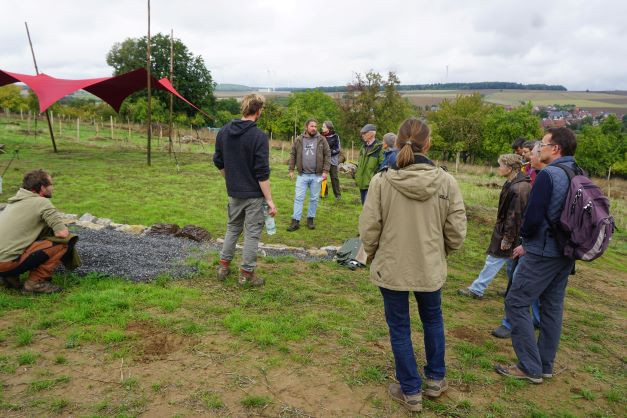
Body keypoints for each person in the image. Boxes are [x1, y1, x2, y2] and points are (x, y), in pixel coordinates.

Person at [359, 118, 466, 412]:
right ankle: (434, 380)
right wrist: (439, 252)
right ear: (427, 144)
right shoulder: (446, 181)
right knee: (432, 320)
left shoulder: (381, 182)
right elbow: (456, 231)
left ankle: (411, 390)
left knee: (400, 327)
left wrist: (373, 252)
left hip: (392, 266)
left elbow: (369, 228)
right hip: (428, 267)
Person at [495, 127, 578, 383]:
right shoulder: (576, 171)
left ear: (556, 149)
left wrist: (525, 243)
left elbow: (532, 218)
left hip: (542, 252)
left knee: (517, 302)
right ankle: (545, 364)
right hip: (565, 252)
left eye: (542, 144)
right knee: (552, 308)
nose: (537, 148)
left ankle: (529, 367)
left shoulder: (548, 175)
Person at [213, 93, 277, 287]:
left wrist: (230, 179)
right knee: (251, 234)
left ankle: (223, 267)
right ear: (258, 111)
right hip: (254, 196)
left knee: (232, 228)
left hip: (234, 192)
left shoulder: (224, 131)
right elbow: (262, 172)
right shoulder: (258, 136)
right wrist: (270, 200)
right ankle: (246, 274)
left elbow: (218, 161)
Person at [458, 154, 530, 299]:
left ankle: (477, 289)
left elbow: (515, 216)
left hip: (511, 233)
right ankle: (513, 292)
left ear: (510, 168)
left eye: (501, 165)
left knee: (494, 260)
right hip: (508, 231)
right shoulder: (511, 183)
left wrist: (508, 238)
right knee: (512, 265)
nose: (498, 168)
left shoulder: (520, 188)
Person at [492, 142, 545, 338]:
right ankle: (537, 319)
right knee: (519, 279)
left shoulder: (523, 187)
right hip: (528, 242)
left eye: (533, 153)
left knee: (517, 283)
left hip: (528, 243)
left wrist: (512, 240)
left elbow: (517, 216)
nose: (529, 157)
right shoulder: (525, 181)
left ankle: (510, 323)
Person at [0, 169, 70, 293]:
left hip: (3, 259)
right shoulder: (42, 202)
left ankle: (9, 276)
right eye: (51, 184)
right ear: (43, 188)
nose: (53, 188)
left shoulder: (13, 202)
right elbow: (62, 233)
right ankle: (35, 283)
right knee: (63, 243)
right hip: (6, 263)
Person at [287, 119, 331, 231]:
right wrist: (291, 169)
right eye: (312, 126)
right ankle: (295, 221)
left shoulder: (322, 139)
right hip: (302, 175)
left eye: (316, 126)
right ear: (306, 127)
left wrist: (325, 171)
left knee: (314, 198)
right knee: (298, 198)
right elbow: (293, 154)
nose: (314, 128)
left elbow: (328, 155)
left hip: (317, 175)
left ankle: (310, 219)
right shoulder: (299, 139)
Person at [354, 124, 384, 205]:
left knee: (369, 207)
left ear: (372, 134)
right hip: (362, 183)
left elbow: (383, 166)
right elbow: (360, 163)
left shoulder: (380, 148)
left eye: (365, 133)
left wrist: (375, 178)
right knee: (364, 206)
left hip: (371, 184)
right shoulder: (363, 147)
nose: (362, 135)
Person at [321, 120, 341, 200]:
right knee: (323, 177)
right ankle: (324, 193)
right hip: (323, 160)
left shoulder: (336, 136)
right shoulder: (321, 136)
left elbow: (338, 149)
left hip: (332, 161)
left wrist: (328, 153)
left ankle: (338, 195)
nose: (322, 128)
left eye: (323, 126)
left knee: (334, 178)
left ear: (328, 128)